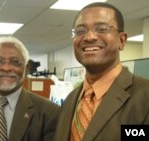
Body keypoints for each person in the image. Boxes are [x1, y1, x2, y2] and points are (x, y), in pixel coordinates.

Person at [53, 2, 149, 141]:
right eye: (80, 31)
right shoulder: (70, 100)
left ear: (121, 40)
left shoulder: (144, 97)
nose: (89, 37)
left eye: (102, 29)